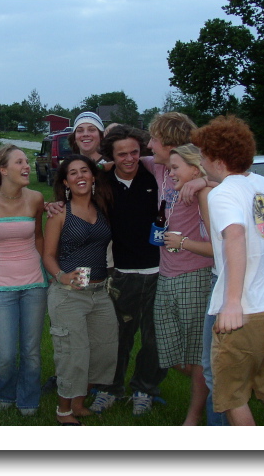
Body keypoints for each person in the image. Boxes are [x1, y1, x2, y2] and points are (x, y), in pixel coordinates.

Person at [192, 115, 264, 426]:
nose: (200, 160)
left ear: (218, 161)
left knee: (233, 396)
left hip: (245, 313)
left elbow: (235, 235)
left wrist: (232, 302)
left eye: (203, 155)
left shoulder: (223, 194)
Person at [87, 125, 168, 416]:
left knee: (155, 338)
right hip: (120, 272)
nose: (130, 158)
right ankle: (110, 388)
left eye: (134, 152)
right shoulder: (102, 182)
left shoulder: (155, 176)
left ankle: (144, 389)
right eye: (122, 154)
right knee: (117, 336)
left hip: (159, 270)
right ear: (111, 155)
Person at [141, 112, 214, 426]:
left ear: (170, 142)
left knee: (197, 353)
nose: (149, 144)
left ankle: (193, 419)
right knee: (170, 350)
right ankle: (218, 374)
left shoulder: (198, 176)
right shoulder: (159, 167)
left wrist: (204, 180)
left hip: (196, 273)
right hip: (167, 272)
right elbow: (124, 158)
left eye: (154, 139)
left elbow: (235, 180)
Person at [42, 154, 118, 425]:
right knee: (72, 353)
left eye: (84, 170)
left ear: (93, 176)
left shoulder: (102, 208)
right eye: (72, 173)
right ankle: (64, 410)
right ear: (65, 182)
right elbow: (48, 255)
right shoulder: (60, 212)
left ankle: (79, 402)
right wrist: (61, 276)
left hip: (98, 292)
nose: (80, 176)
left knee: (102, 350)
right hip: (69, 295)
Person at [0, 145, 47, 416]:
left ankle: (28, 400)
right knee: (6, 353)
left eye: (27, 161)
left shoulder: (36, 198)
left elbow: (39, 236)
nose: (26, 166)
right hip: (0, 287)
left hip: (34, 284)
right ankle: (4, 395)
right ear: (3, 170)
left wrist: (49, 272)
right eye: (19, 162)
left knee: (31, 351)